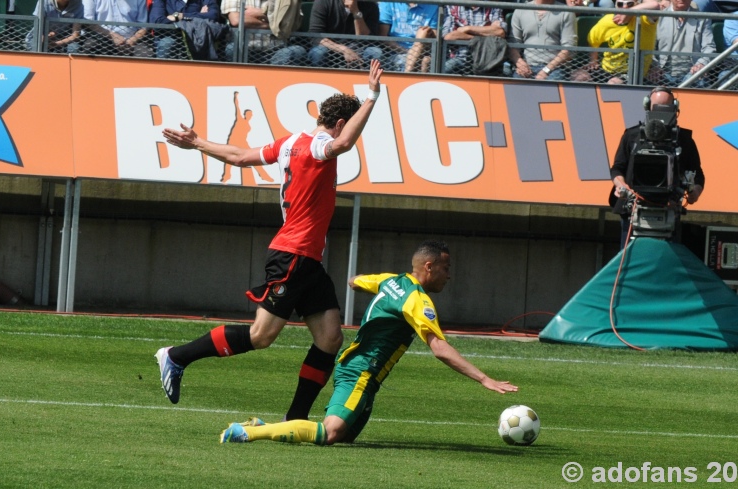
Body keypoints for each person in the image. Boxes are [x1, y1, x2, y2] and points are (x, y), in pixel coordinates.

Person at [156, 61, 384, 423]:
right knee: (261, 336)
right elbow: (342, 143)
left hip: (306, 259)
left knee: (329, 337)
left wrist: (196, 142)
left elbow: (241, 157)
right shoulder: (320, 145)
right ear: (340, 122)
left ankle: (295, 419)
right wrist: (371, 97)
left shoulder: (291, 141)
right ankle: (177, 356)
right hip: (293, 254)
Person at [219, 241, 519, 446]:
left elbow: (356, 280)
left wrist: (362, 284)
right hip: (360, 372)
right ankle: (247, 432)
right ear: (428, 267)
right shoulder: (417, 300)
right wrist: (484, 379)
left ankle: (262, 427)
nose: (449, 275)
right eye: (445, 268)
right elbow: (439, 348)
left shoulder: (393, 281)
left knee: (346, 436)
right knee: (331, 433)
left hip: (366, 375)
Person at [609, 87, 704, 249]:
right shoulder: (631, 135)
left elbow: (698, 174)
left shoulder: (685, 140)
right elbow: (617, 168)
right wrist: (620, 185)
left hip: (669, 208)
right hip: (634, 207)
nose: (661, 112)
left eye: (665, 108)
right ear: (647, 107)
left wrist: (695, 190)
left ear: (674, 107)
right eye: (656, 107)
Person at [576, 0, 661, 84]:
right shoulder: (607, 20)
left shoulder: (644, 20)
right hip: (607, 69)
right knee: (579, 76)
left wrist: (629, 12)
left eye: (630, 4)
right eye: (620, 4)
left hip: (631, 73)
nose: (624, 7)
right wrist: (593, 60)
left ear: (637, 4)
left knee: (613, 83)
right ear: (616, 5)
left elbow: (655, 5)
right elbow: (593, 41)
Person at [651, 0, 717, 87]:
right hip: (663, 73)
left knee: (700, 79)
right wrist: (653, 66)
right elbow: (649, 48)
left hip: (692, 73)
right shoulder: (658, 17)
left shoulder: (703, 18)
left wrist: (701, 64)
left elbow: (709, 47)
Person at [508, 0, 577, 81]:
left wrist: (546, 70)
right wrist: (520, 64)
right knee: (516, 85)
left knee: (550, 86)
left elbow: (569, 49)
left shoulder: (567, 12)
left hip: (555, 68)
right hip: (528, 66)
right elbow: (513, 44)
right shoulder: (520, 10)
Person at [220, 0, 307, 64]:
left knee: (298, 51)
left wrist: (260, 13)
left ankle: (271, 84)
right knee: (232, 48)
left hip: (277, 50)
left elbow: (293, 23)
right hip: (245, 50)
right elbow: (236, 20)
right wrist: (275, 24)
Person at [307, 0, 382, 68]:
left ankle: (370, 82)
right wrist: (344, 49)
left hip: (359, 50)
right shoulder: (323, 2)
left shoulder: (370, 4)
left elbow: (368, 39)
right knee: (319, 52)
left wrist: (356, 12)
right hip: (331, 48)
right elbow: (316, 36)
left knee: (375, 52)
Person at [440, 2, 508, 75]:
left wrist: (468, 29)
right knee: (441, 71)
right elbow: (449, 37)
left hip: (489, 60)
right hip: (460, 58)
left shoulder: (494, 7)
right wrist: (484, 35)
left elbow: (500, 32)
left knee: (507, 72)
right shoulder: (452, 6)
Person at [148, 0, 223, 59]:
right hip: (171, 36)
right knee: (167, 43)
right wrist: (199, 17)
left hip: (197, 39)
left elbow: (213, 16)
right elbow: (157, 22)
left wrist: (180, 16)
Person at [378, 2, 440, 72]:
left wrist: (427, 35)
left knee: (426, 61)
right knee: (404, 61)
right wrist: (409, 53)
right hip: (395, 52)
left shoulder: (433, 5)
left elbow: (435, 39)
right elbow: (383, 37)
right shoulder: (388, 3)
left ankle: (408, 74)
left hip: (423, 51)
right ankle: (407, 75)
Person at [82, 0, 152, 57]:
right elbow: (89, 22)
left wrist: (131, 41)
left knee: (145, 53)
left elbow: (143, 27)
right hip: (102, 38)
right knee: (90, 46)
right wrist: (112, 35)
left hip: (132, 40)